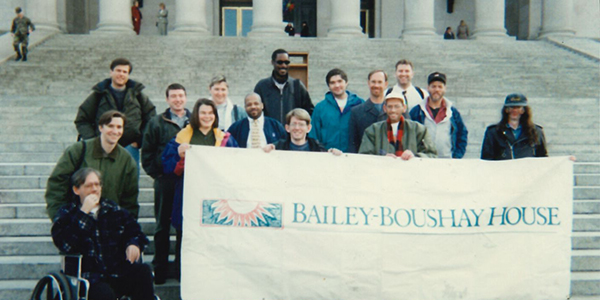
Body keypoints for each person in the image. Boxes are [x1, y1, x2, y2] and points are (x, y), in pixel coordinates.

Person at [51, 168, 154, 300]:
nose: (94, 189)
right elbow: (65, 244)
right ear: (76, 190)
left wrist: (133, 243)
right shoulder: (67, 213)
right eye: (88, 185)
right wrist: (83, 213)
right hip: (89, 278)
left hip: (116, 272)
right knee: (104, 293)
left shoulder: (113, 209)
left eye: (97, 184)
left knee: (143, 271)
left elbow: (135, 231)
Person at [162, 99, 238, 240]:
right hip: (189, 192)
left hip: (215, 194)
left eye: (210, 113)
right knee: (185, 236)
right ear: (196, 115)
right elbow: (168, 168)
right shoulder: (182, 138)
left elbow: (236, 164)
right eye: (203, 113)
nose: (207, 116)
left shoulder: (225, 139)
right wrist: (179, 155)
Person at [46, 110, 139, 222]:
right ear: (100, 128)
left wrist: (126, 226)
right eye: (110, 126)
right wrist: (60, 218)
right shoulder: (78, 151)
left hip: (109, 224)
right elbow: (57, 184)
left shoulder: (126, 160)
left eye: (119, 127)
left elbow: (130, 199)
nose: (115, 131)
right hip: (78, 220)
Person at [141, 83, 190, 284]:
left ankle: (180, 268)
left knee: (182, 226)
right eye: (173, 96)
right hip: (165, 180)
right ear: (167, 99)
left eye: (180, 96)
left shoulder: (193, 120)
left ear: (185, 98)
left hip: (187, 180)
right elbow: (148, 152)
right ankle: (159, 267)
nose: (177, 99)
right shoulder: (156, 122)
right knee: (162, 225)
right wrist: (158, 174)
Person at [74, 58, 156, 171]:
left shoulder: (137, 95)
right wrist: (93, 140)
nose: (121, 74)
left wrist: (139, 141)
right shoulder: (98, 95)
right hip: (103, 147)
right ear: (111, 72)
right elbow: (82, 120)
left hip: (130, 147)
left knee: (129, 184)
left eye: (125, 72)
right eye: (118, 70)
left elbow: (151, 118)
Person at [359, 88, 437, 160]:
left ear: (404, 108)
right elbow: (363, 157)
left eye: (397, 106)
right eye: (390, 107)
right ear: (385, 109)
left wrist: (414, 156)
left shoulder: (419, 129)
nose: (393, 110)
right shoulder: (373, 130)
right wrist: (382, 159)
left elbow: (432, 155)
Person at [409, 72, 468, 158]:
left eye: (440, 86)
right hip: (424, 161)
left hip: (448, 161)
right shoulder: (417, 111)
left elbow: (462, 134)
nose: (436, 90)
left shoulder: (453, 112)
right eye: (433, 86)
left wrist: (457, 156)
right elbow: (409, 135)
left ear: (445, 89)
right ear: (428, 88)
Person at [309, 68, 364, 152]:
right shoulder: (320, 108)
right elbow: (314, 136)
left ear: (346, 82)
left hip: (354, 157)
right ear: (328, 86)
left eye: (340, 81)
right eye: (332, 83)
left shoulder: (360, 104)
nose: (337, 85)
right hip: (328, 157)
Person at [254, 49, 313, 124]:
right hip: (269, 133)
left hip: (292, 133)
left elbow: (309, 110)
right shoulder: (262, 86)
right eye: (280, 62)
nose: (283, 65)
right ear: (272, 62)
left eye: (286, 62)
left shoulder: (297, 86)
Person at [481, 93, 548, 160]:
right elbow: (487, 159)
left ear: (523, 110)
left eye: (518, 107)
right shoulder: (493, 132)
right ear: (506, 110)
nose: (515, 111)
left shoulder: (536, 131)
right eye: (512, 107)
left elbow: (543, 159)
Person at [263, 108, 340, 155]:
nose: (297, 128)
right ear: (287, 128)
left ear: (309, 128)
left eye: (301, 124)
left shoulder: (318, 148)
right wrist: (267, 150)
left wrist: (332, 154)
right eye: (293, 124)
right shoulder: (278, 147)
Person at [348, 70, 389, 153]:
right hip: (365, 161)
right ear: (368, 83)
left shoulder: (396, 110)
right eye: (373, 82)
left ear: (385, 84)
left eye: (380, 82)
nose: (376, 85)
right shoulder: (356, 112)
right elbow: (352, 144)